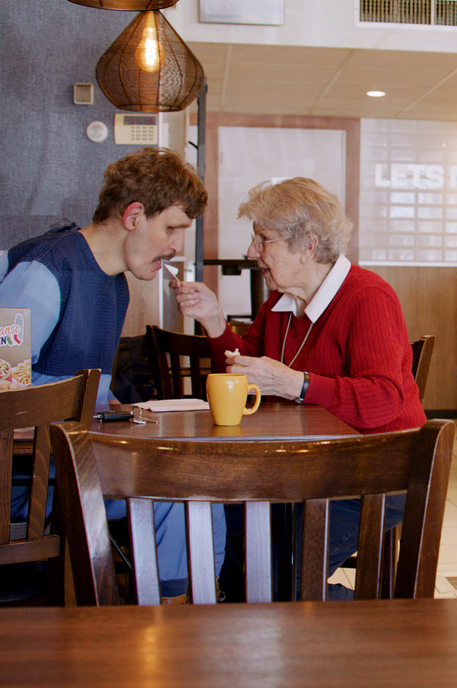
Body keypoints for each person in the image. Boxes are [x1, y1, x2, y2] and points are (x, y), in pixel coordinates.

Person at [0, 146, 219, 602]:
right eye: (172, 228)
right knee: (182, 490)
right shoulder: (44, 268)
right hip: (14, 481)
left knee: (195, 479)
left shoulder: (113, 282)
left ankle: (183, 617)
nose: (178, 245)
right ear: (134, 215)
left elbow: (80, 387)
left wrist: (120, 409)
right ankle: (180, 623)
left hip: (61, 462)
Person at [173, 177, 425, 597]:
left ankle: (380, 627)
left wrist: (295, 384)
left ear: (307, 245)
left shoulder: (369, 297)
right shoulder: (280, 303)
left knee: (275, 575)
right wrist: (215, 321)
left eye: (263, 240)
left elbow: (382, 399)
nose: (253, 252)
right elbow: (245, 371)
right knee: (220, 526)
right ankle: (257, 632)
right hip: (307, 472)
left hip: (376, 473)